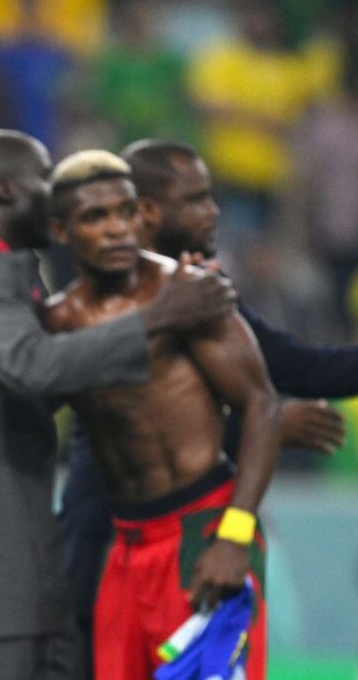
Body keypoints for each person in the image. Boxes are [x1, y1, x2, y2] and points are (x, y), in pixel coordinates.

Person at [0, 129, 237, 680]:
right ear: (8, 190)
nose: (56, 195)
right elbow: (37, 366)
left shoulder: (8, 267)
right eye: (46, 179)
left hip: (29, 563)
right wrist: (159, 316)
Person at [59, 139, 358, 677]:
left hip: (194, 528)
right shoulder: (77, 309)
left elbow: (284, 380)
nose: (214, 211)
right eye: (198, 199)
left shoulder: (201, 294)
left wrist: (239, 514)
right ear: (150, 211)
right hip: (106, 542)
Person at [44, 150, 281, 679]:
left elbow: (261, 404)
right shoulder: (59, 320)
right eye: (95, 217)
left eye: (126, 212)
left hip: (206, 529)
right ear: (62, 231)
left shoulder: (190, 293)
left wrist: (235, 535)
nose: (117, 230)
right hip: (126, 543)